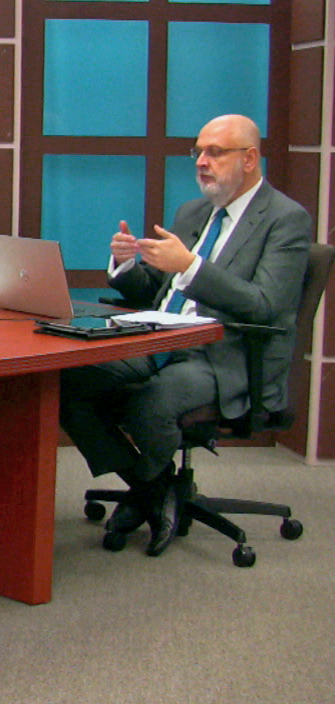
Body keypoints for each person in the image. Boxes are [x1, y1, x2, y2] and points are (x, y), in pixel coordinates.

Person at [59, 114, 311, 557]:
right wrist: (125, 267)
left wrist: (190, 267)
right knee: (68, 381)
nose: (201, 162)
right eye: (198, 152)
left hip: (224, 352)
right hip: (162, 337)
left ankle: (149, 493)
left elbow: (264, 305)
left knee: (152, 399)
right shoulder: (193, 212)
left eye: (215, 152)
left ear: (250, 159)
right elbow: (159, 294)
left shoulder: (286, 219)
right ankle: (153, 488)